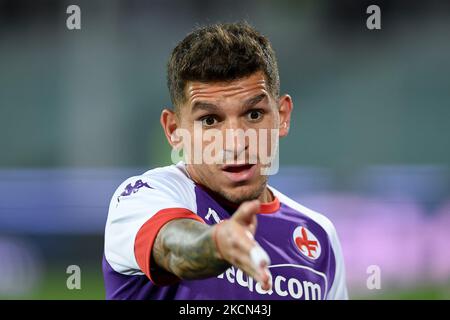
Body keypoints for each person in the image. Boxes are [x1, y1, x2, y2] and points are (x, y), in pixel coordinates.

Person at [103, 22, 348, 300]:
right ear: (174, 130)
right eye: (210, 120)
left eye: (254, 114)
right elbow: (173, 247)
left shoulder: (319, 237)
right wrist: (216, 244)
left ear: (283, 115)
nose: (235, 142)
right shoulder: (143, 198)